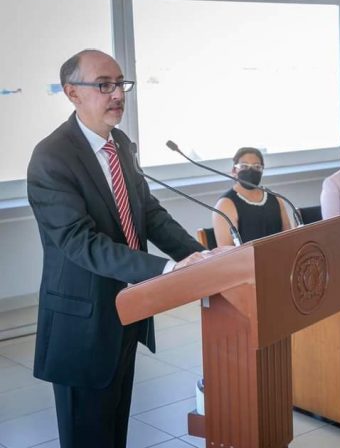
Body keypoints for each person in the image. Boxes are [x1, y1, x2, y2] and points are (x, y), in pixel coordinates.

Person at [26, 49, 208, 448]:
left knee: (113, 433)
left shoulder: (120, 143)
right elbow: (80, 242)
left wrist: (202, 259)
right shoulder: (51, 157)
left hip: (127, 311)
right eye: (104, 85)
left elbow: (149, 214)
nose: (118, 95)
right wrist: (163, 271)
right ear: (72, 92)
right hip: (82, 323)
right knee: (87, 437)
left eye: (121, 84)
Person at [213, 147, 291, 245]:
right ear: (234, 171)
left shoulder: (276, 198)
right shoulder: (225, 205)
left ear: (262, 170)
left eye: (256, 167)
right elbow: (226, 253)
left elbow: (289, 238)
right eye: (244, 166)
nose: (250, 171)